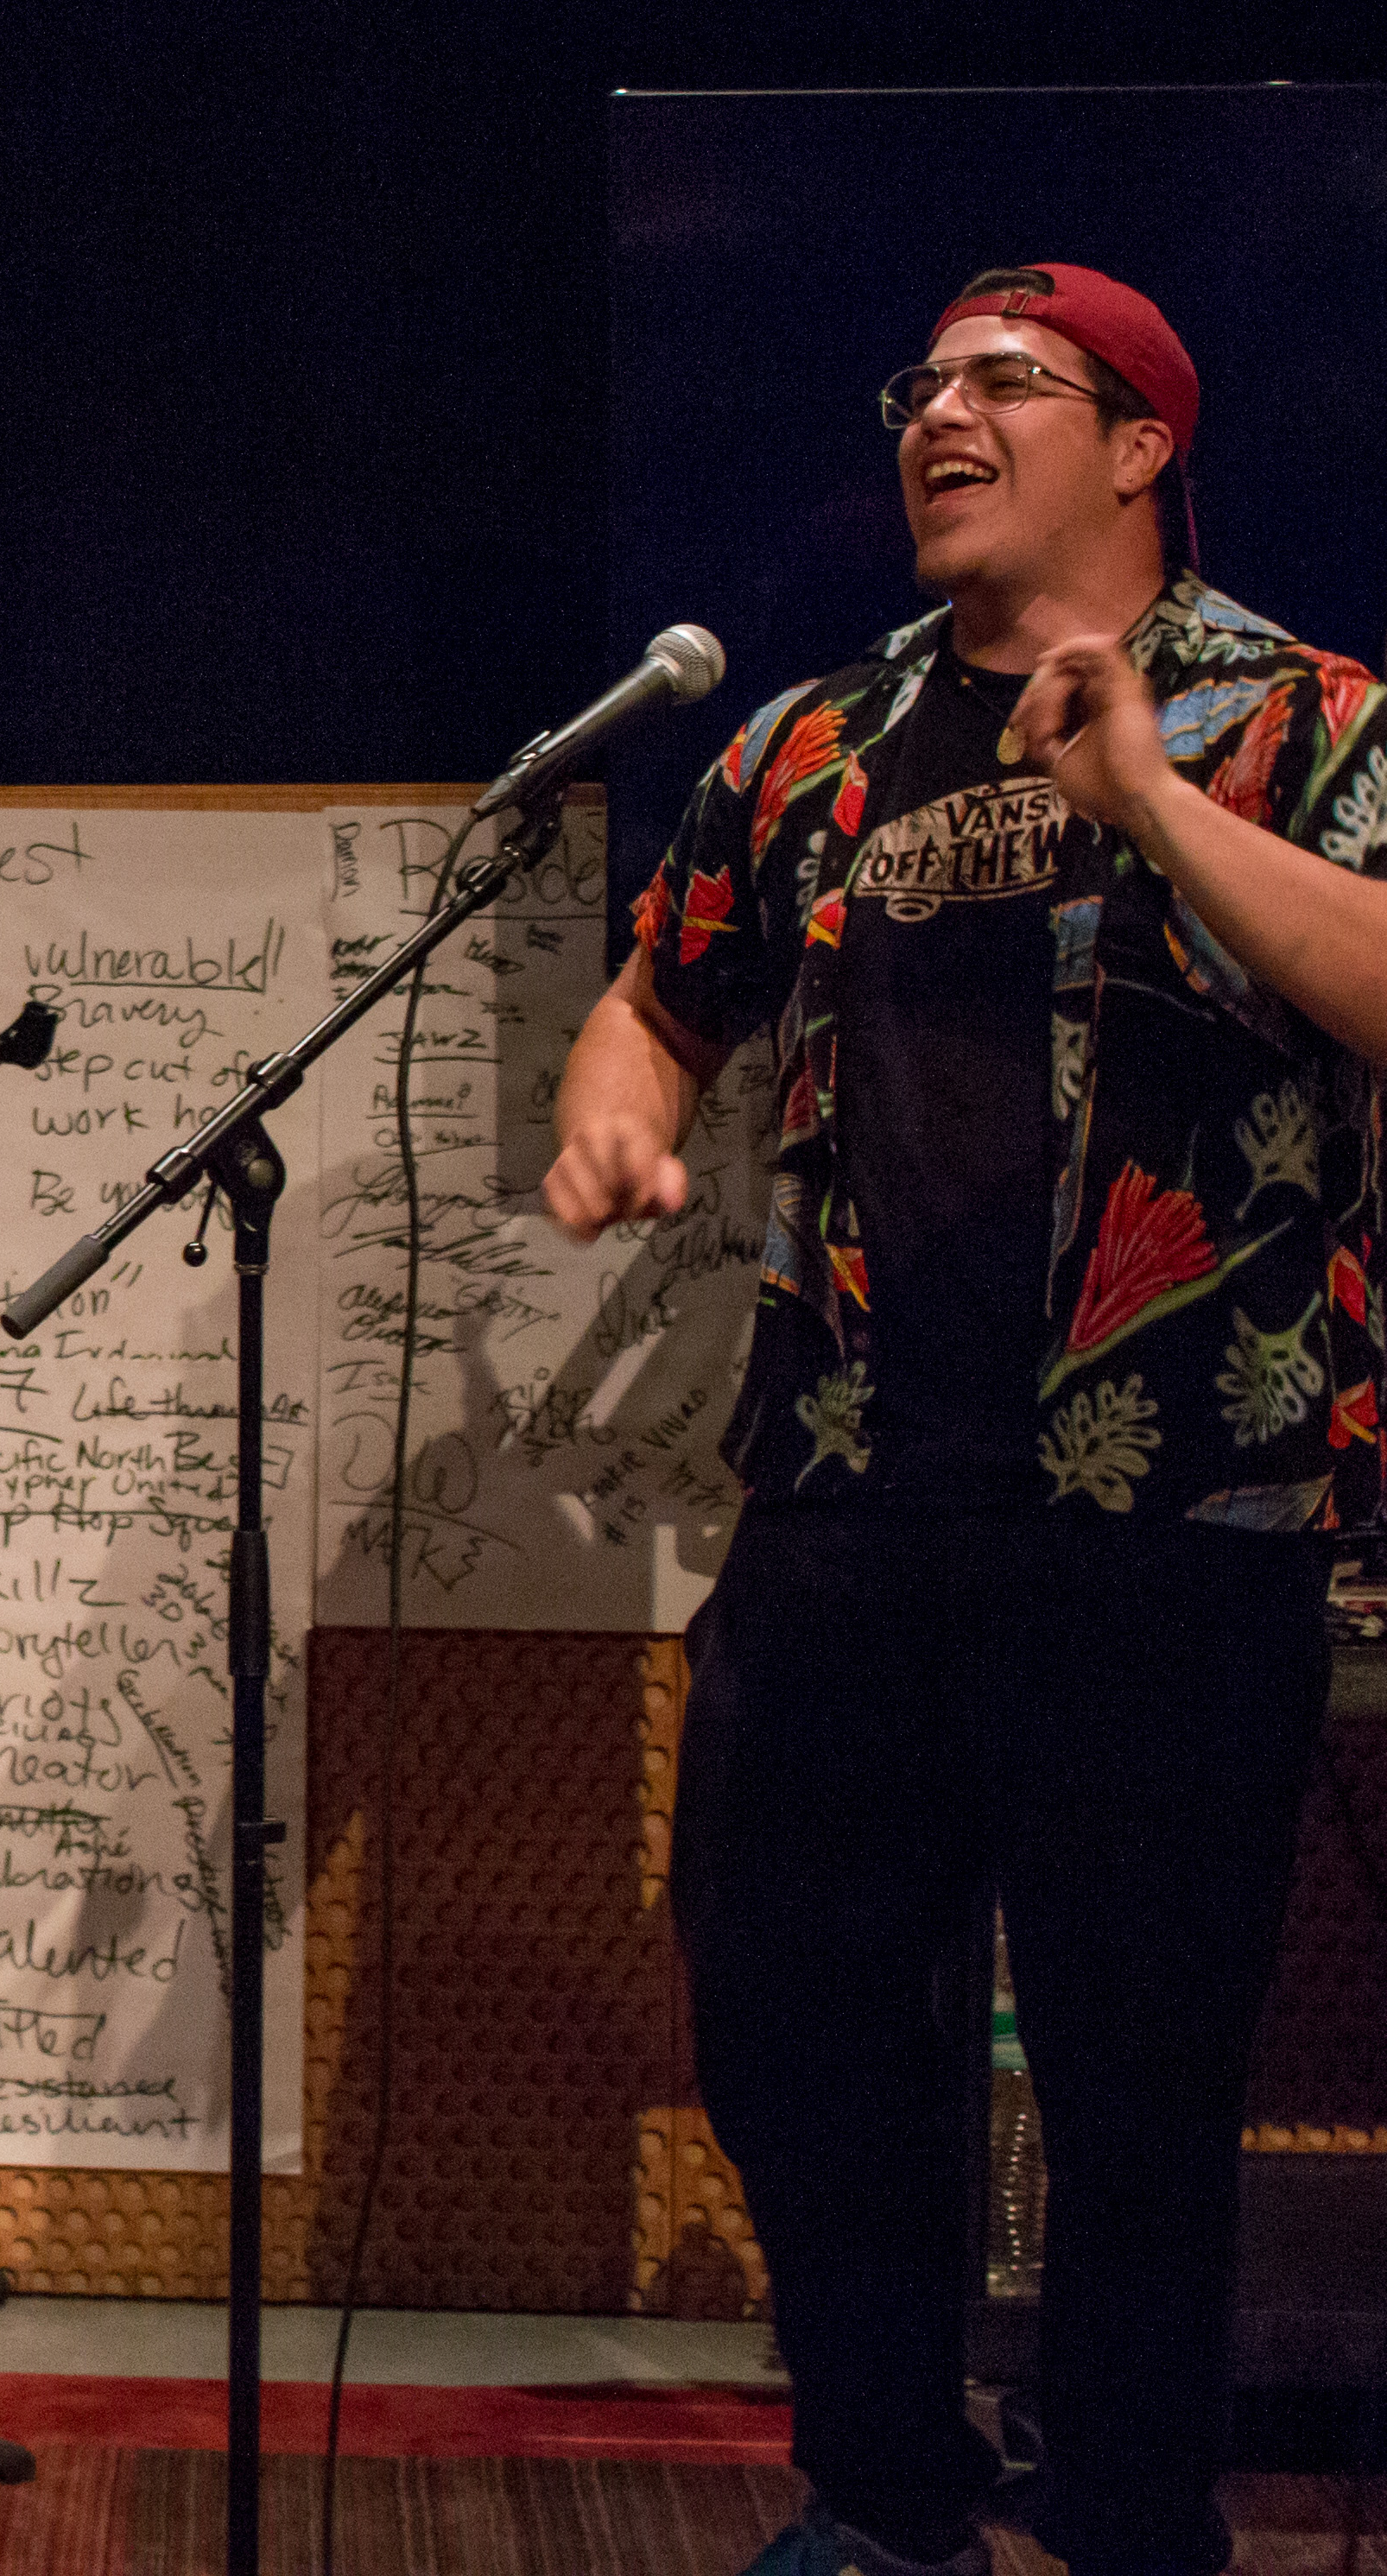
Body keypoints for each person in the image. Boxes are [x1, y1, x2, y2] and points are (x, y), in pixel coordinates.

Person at [548, 263, 1387, 2576]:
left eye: (1006, 381)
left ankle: (1128, 2524)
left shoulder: (1307, 718)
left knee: (1136, 2087)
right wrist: (617, 1110)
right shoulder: (812, 746)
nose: (940, 412)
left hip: (1171, 1512)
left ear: (1140, 443)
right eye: (920, 381)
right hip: (845, 1495)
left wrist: (1148, 799)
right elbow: (661, 993)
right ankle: (892, 2496)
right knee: (790, 2023)